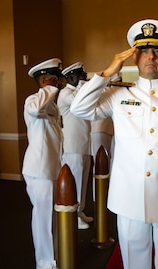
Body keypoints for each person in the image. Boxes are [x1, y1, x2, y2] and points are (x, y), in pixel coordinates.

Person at [70, 19, 158, 269]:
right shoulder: (117, 95)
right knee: (134, 266)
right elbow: (79, 109)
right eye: (143, 51)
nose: (151, 57)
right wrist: (106, 73)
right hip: (129, 198)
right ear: (134, 57)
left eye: (157, 51)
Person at [22, 58, 63, 269]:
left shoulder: (51, 104)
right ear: (44, 81)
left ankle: (51, 256)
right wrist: (48, 88)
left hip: (50, 167)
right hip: (38, 169)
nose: (57, 83)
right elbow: (37, 108)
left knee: (51, 217)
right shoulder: (33, 100)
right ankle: (44, 263)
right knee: (43, 217)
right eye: (53, 79)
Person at [57, 61, 94, 230]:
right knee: (76, 182)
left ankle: (80, 211)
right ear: (70, 78)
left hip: (84, 144)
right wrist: (82, 85)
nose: (82, 80)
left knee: (83, 180)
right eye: (79, 77)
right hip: (73, 146)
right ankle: (73, 214)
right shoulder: (66, 94)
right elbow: (80, 101)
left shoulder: (77, 92)